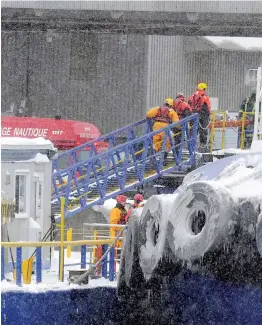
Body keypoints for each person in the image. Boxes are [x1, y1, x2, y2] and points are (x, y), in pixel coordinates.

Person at [189, 82, 211, 149]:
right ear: (204, 88)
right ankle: (202, 145)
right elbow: (208, 107)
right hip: (203, 115)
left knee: (193, 130)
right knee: (203, 130)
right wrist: (208, 115)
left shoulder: (192, 96)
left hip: (193, 114)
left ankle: (191, 145)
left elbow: (188, 105)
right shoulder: (205, 97)